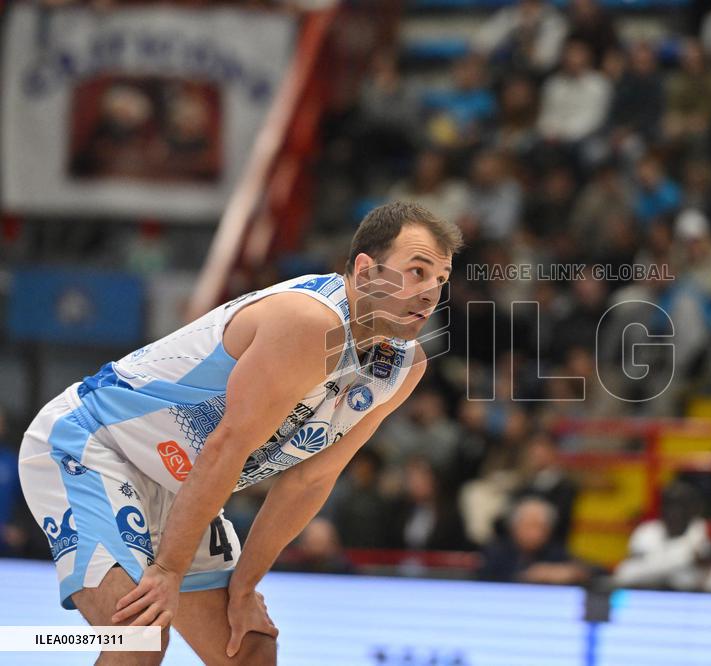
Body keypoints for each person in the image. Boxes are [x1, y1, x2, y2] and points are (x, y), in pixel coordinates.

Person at [17, 201, 461, 664]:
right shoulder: (309, 323)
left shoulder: (404, 365)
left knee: (249, 649)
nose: (431, 291)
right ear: (366, 271)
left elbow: (310, 480)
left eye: (441, 279)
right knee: (138, 635)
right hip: (94, 444)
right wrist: (168, 570)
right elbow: (227, 444)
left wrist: (246, 586)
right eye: (416, 271)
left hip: (182, 481)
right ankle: (28, 643)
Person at [613, 482, 711, 590]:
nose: (674, 513)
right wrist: (684, 557)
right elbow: (627, 573)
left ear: (691, 510)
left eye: (680, 507)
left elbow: (693, 579)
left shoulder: (699, 533)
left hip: (684, 600)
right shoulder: (646, 531)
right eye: (669, 506)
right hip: (646, 596)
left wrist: (649, 564)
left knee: (684, 579)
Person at [479, 497, 589, 584]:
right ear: (514, 527)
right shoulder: (496, 551)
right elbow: (485, 575)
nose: (534, 533)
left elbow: (594, 570)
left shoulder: (555, 551)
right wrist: (527, 576)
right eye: (529, 526)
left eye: (540, 527)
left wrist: (571, 572)